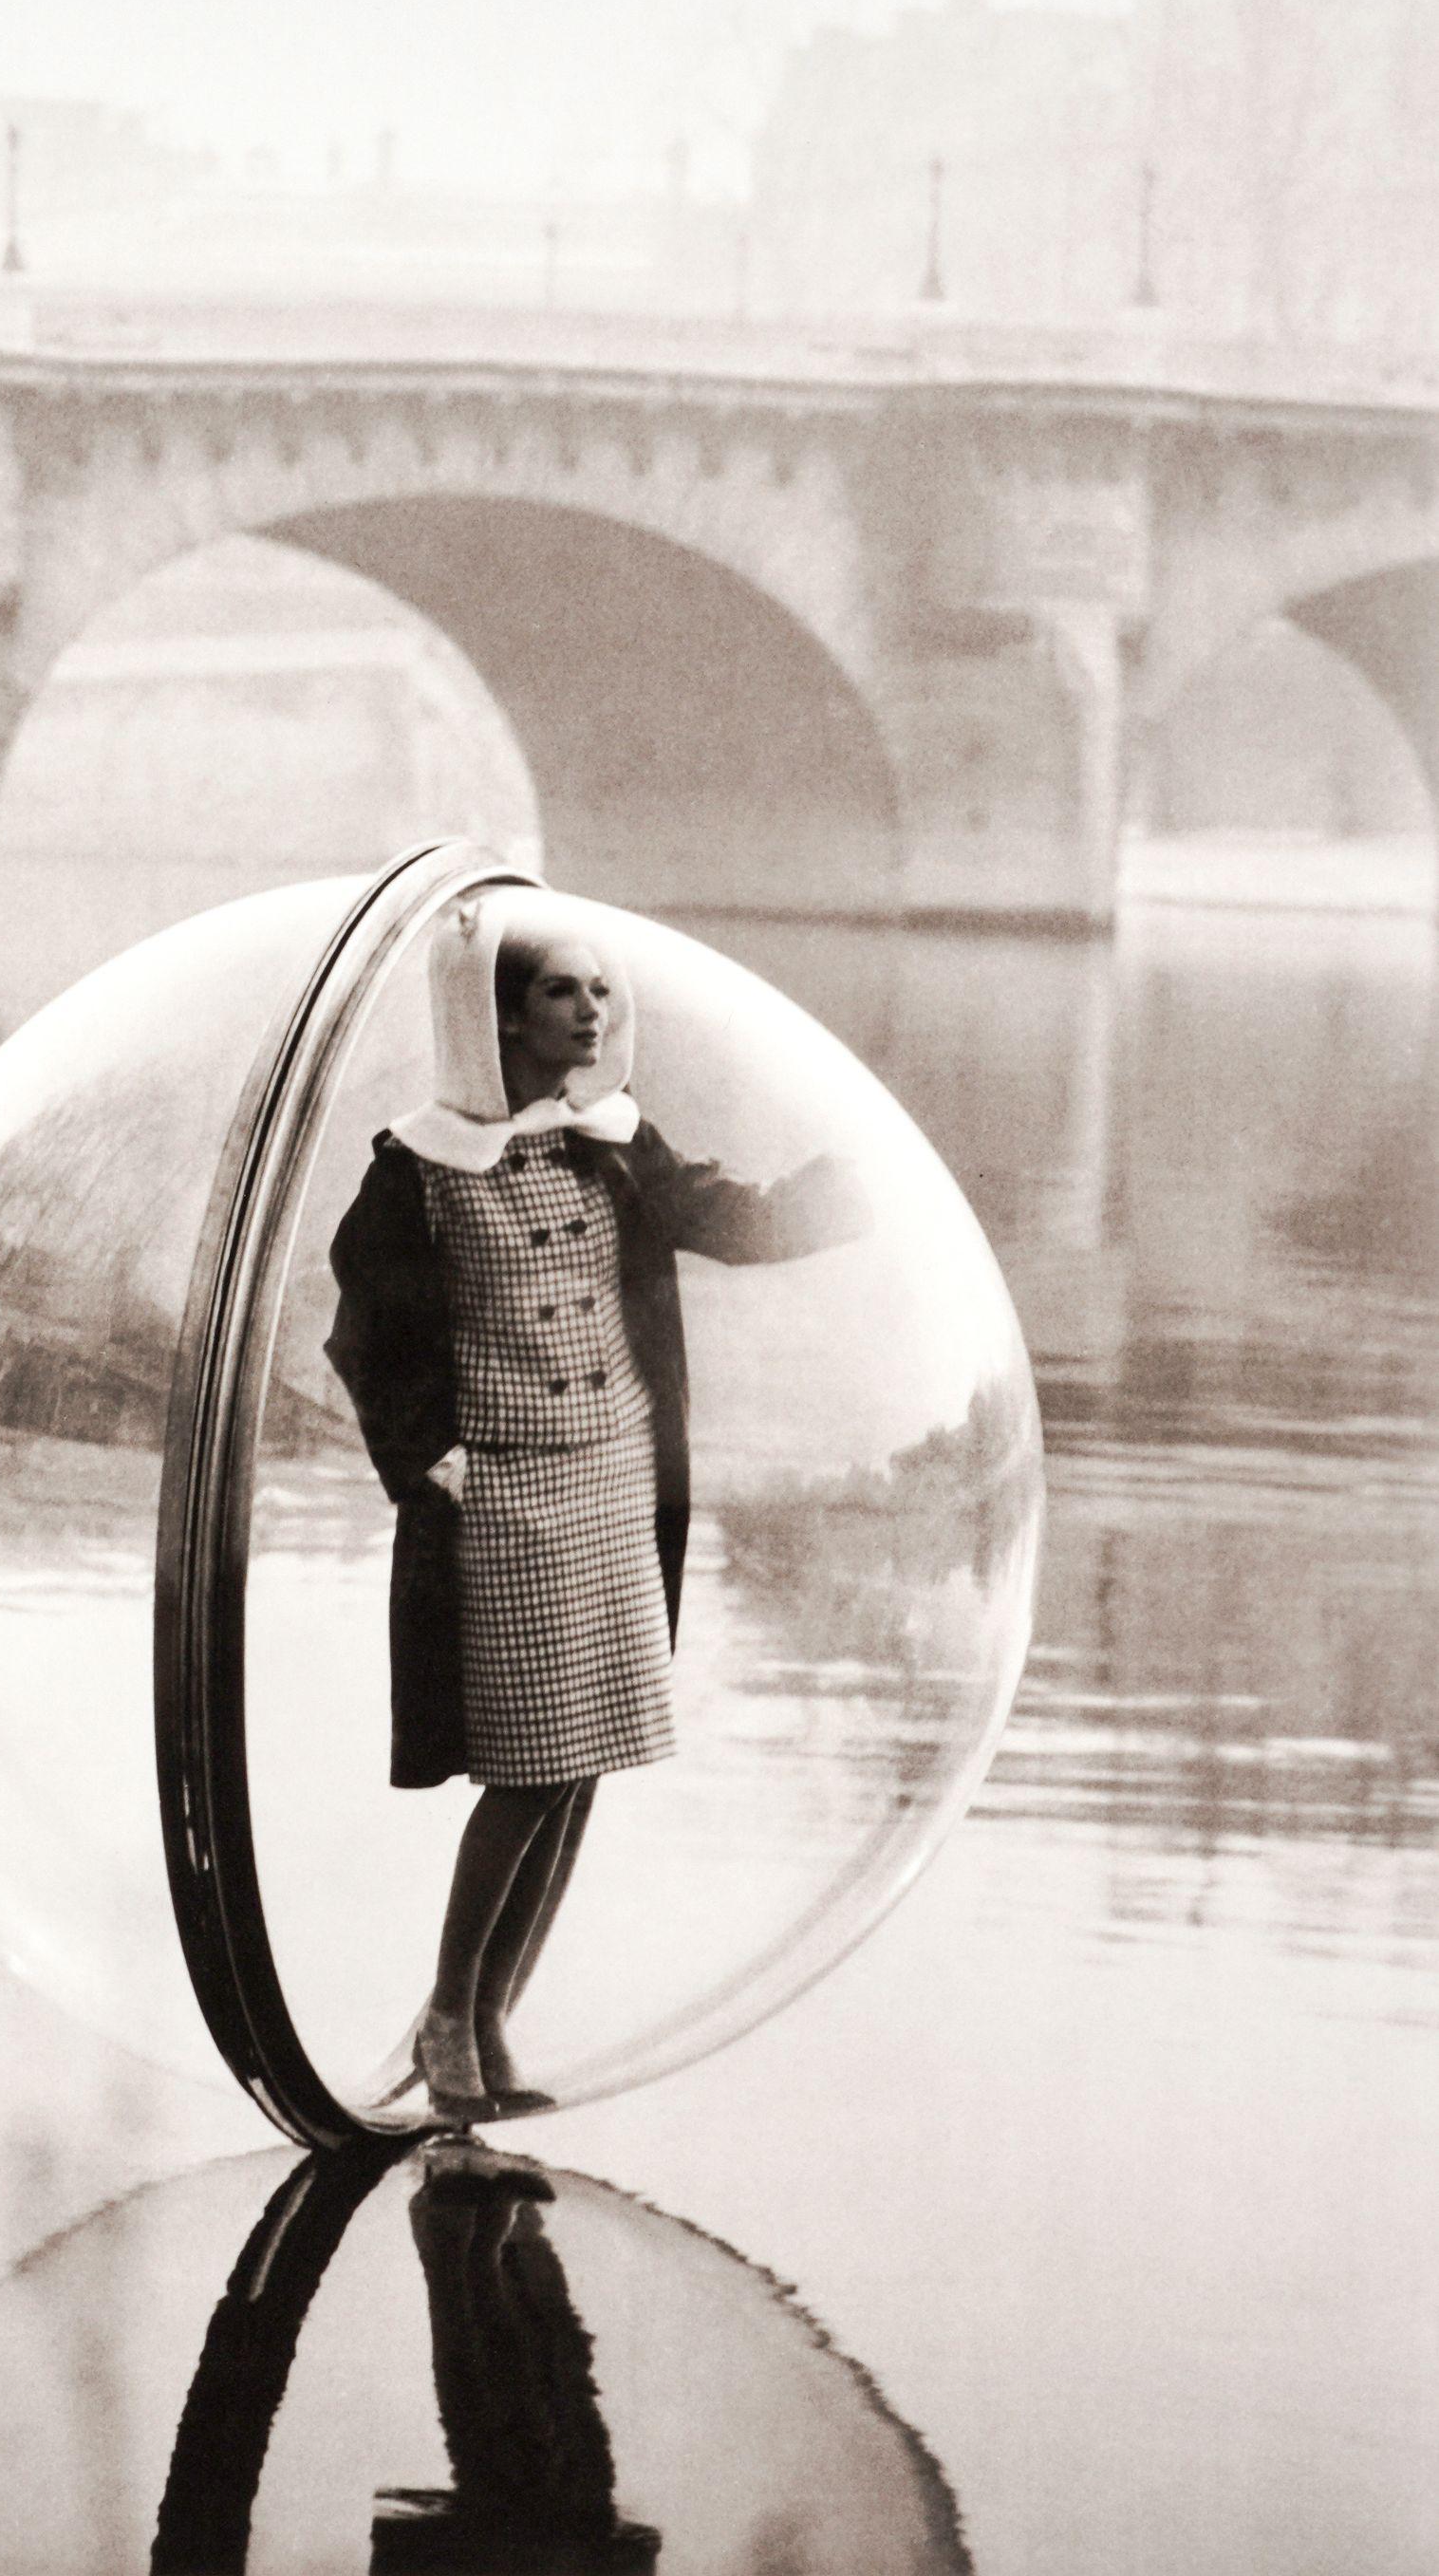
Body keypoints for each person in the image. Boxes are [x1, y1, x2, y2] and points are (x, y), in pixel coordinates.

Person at [326, 888, 866, 2120]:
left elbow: (729, 1220)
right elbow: (363, 1327)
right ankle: (451, 2009)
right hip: (510, 1495)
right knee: (527, 1765)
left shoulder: (613, 1141)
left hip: (616, 1478)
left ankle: (490, 2021)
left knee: (584, 1766)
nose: (591, 1009)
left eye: (599, 988)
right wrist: (428, 1455)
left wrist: (857, 1188)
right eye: (560, 990)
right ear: (500, 1016)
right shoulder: (417, 1172)